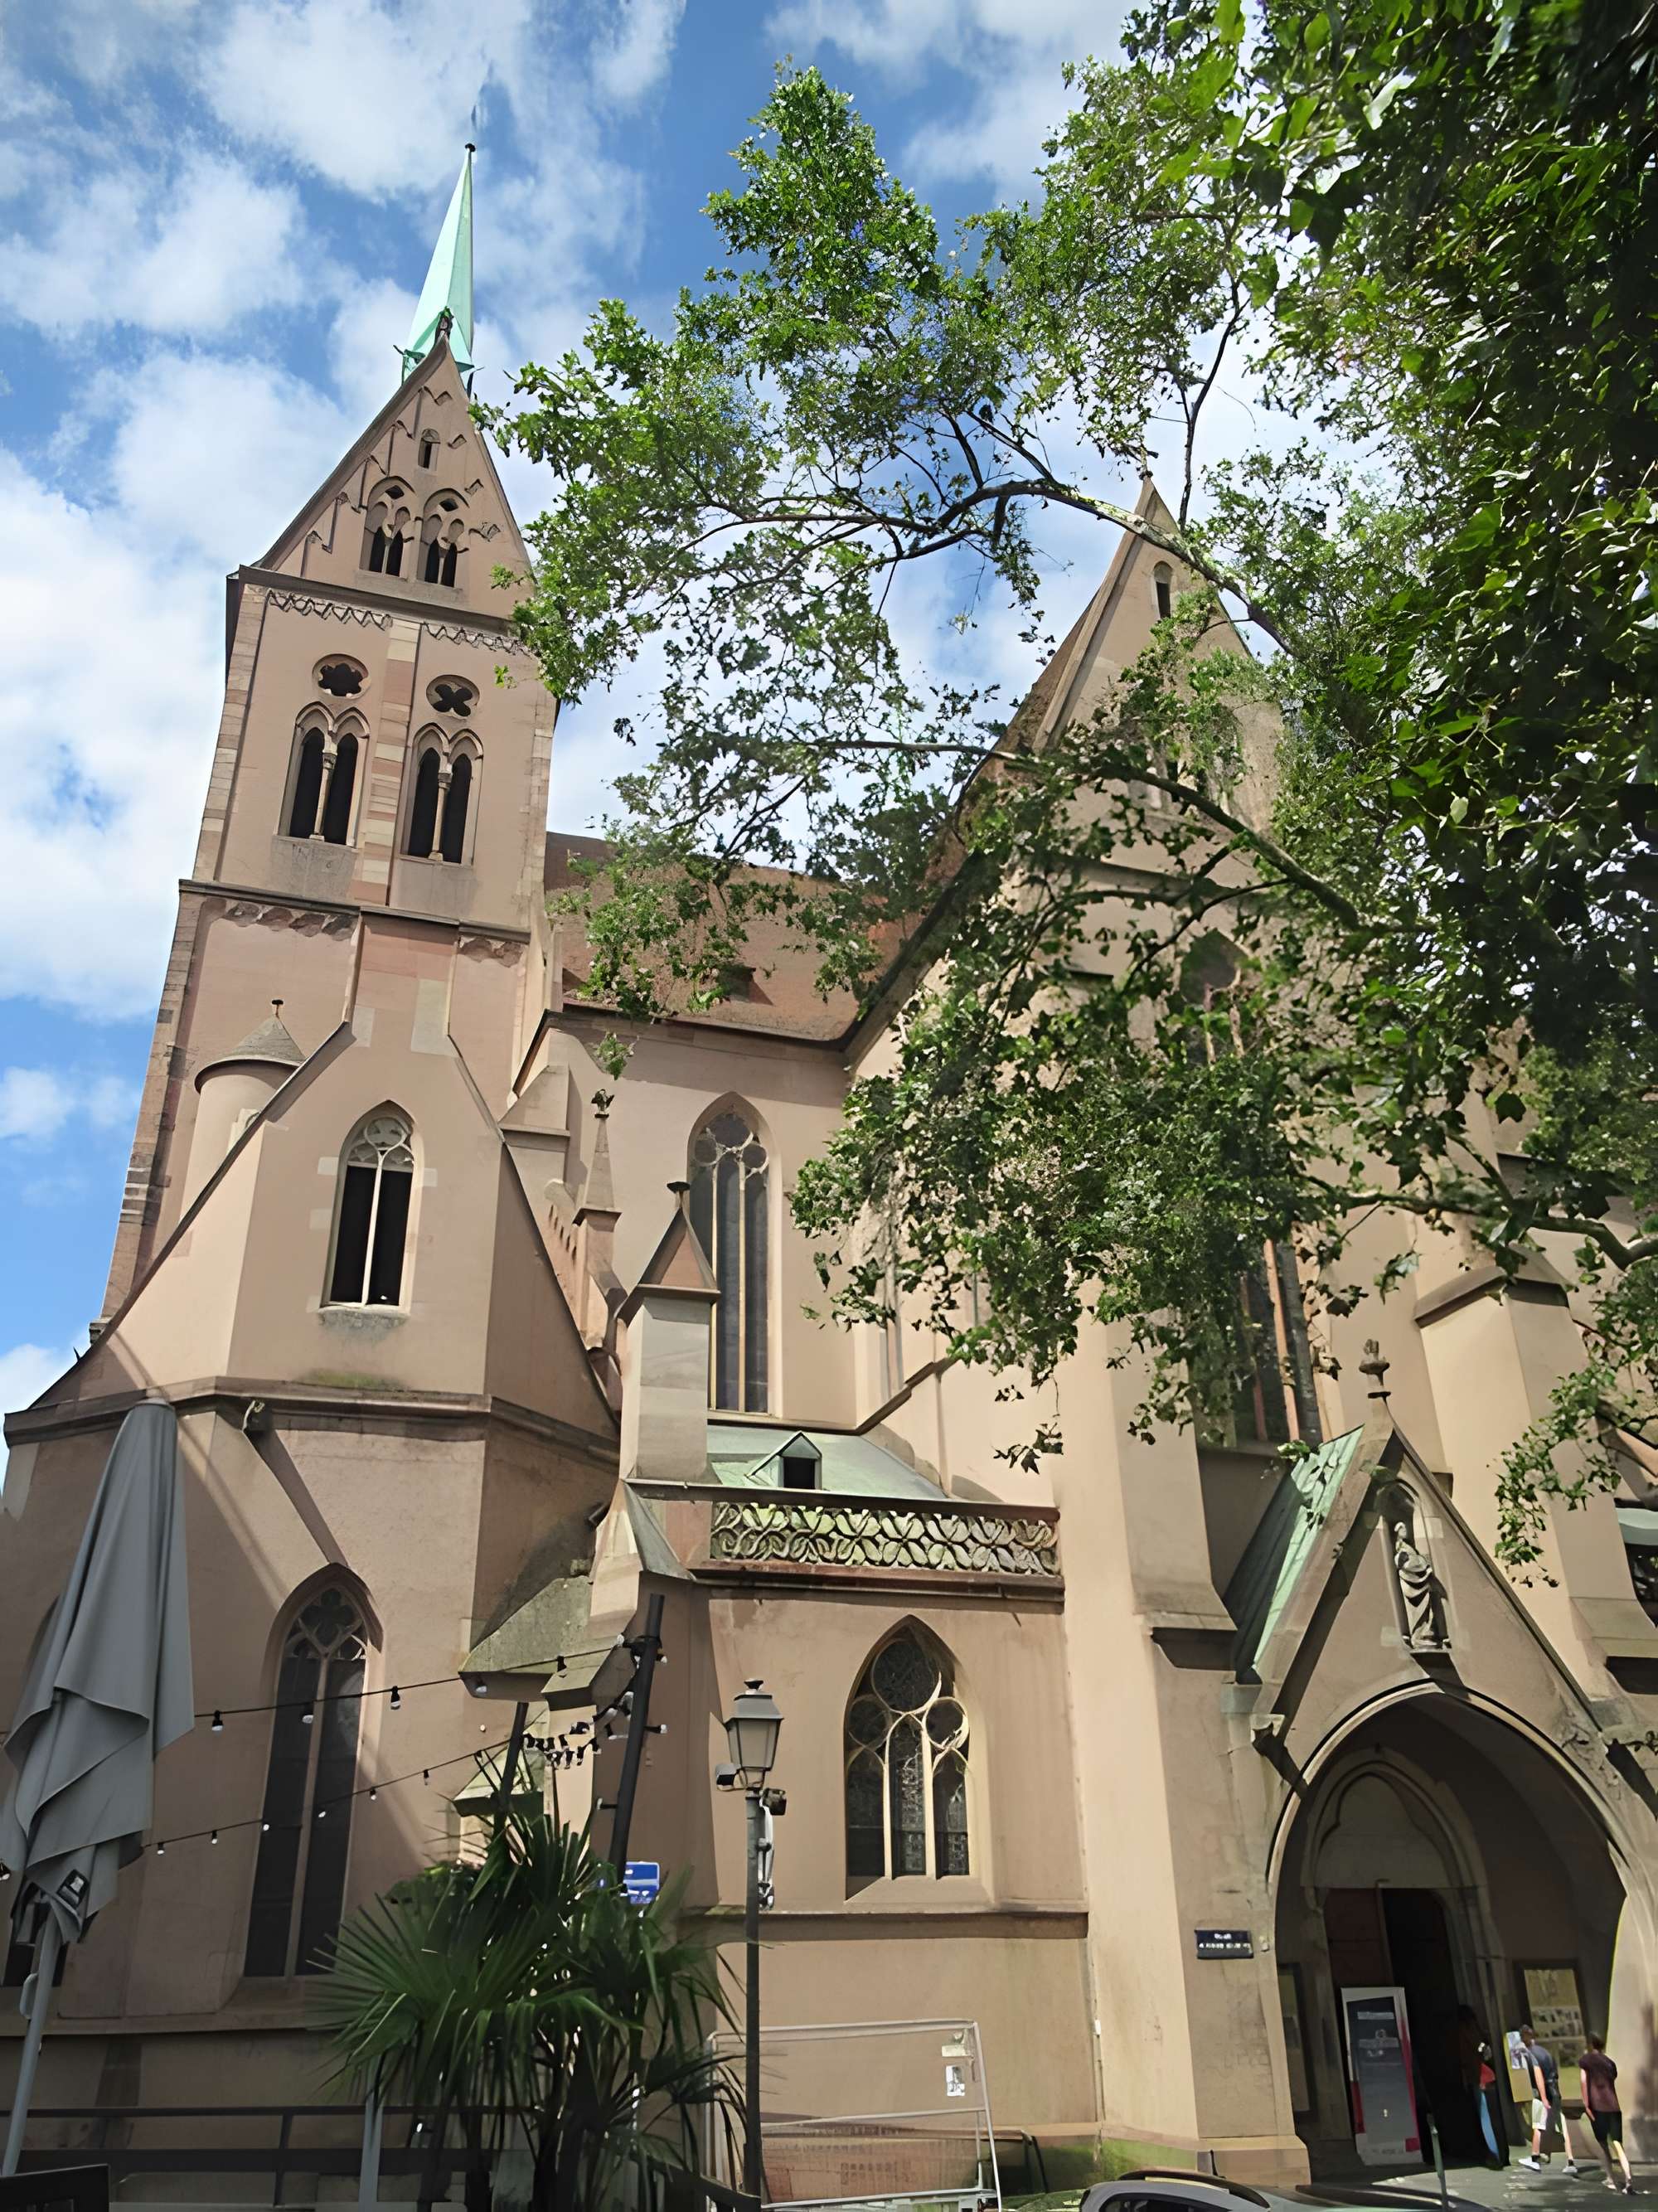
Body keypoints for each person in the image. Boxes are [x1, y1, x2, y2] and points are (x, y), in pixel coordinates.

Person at [1518, 2024, 1580, 2175]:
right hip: (1556, 2091)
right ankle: (1571, 2161)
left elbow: (1538, 2076)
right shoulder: (1545, 2052)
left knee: (1538, 2126)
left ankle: (1534, 2158)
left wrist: (1543, 2097)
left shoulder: (1532, 2053)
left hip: (1544, 2093)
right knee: (1563, 2127)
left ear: (1525, 2038)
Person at [1581, 2032, 1636, 2195]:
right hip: (1614, 2106)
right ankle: (1628, 2179)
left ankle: (1611, 2179)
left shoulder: (1586, 2061)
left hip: (1597, 2107)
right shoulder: (1610, 2063)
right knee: (1618, 2144)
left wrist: (1586, 2105)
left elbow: (1584, 2082)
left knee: (1603, 2145)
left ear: (1591, 2045)